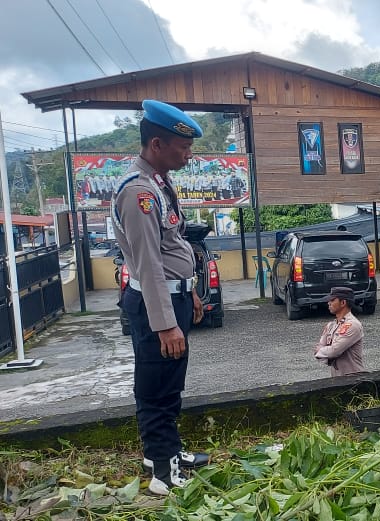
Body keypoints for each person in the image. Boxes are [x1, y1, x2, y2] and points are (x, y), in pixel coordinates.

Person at [113, 100, 210, 496]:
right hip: (158, 307)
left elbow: (173, 248)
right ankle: (163, 476)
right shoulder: (138, 193)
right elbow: (149, 265)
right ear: (156, 143)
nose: (188, 155)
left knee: (170, 384)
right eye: (182, 148)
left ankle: (166, 455)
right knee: (156, 390)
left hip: (175, 297)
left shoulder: (157, 181)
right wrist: (166, 322)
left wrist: (192, 294)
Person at [313, 286, 365, 376]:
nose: (328, 303)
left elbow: (334, 351)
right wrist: (324, 352)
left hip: (353, 378)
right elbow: (319, 349)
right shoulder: (331, 325)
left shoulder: (353, 325)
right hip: (337, 377)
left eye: (332, 300)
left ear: (343, 302)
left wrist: (323, 352)